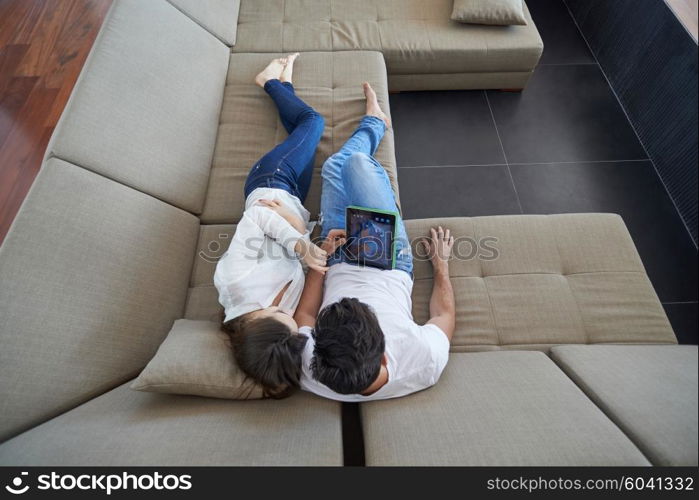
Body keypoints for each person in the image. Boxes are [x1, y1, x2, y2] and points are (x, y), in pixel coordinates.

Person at [294, 83, 457, 401]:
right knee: (353, 164)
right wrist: (440, 264)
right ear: (384, 356)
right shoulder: (424, 360)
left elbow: (305, 318)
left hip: (337, 256)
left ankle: (374, 123)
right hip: (388, 259)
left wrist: (323, 260)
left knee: (333, 167)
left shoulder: (310, 367)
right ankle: (376, 123)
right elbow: (443, 317)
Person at [214, 54, 332, 398]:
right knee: (300, 132)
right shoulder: (283, 324)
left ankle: (268, 81)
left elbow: (256, 218)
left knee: (313, 122)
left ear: (255, 325)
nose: (286, 310)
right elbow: (295, 255)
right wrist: (298, 225)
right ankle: (286, 83)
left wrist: (299, 244)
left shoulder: (234, 280)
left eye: (280, 312)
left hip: (270, 182)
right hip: (294, 204)